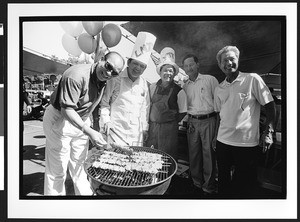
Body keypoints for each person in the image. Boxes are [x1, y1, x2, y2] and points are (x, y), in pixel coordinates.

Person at [43, 51, 125, 195]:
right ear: (101, 59)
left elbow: (91, 105)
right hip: (60, 118)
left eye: (115, 73)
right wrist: (88, 130)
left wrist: (96, 127)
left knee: (80, 165)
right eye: (108, 66)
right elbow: (66, 110)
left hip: (81, 119)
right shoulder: (76, 75)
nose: (109, 73)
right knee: (58, 169)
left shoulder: (104, 79)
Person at [214, 46, 276, 198]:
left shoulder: (252, 79)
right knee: (223, 182)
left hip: (246, 145)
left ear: (238, 60)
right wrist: (215, 138)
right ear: (220, 65)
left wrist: (268, 132)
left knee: (244, 185)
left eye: (232, 59)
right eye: (225, 61)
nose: (228, 63)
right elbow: (218, 115)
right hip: (223, 142)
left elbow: (270, 106)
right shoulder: (219, 88)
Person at [100, 32, 156, 146]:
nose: (138, 68)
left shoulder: (144, 84)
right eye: (136, 64)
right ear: (129, 62)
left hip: (136, 135)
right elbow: (104, 103)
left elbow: (145, 108)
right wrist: (106, 122)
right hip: (115, 132)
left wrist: (145, 128)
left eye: (142, 66)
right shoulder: (115, 78)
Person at [182, 54, 219, 195]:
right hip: (192, 121)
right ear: (184, 69)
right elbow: (185, 106)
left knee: (209, 153)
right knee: (194, 154)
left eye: (191, 64)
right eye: (186, 66)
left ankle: (208, 187)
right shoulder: (185, 86)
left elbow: (218, 103)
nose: (189, 68)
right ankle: (196, 184)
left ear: (197, 65)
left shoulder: (210, 80)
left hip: (209, 120)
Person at [146, 47, 187, 161]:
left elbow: (183, 112)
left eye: (171, 71)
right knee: (150, 156)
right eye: (165, 70)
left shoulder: (180, 91)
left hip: (169, 130)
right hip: (152, 128)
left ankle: (168, 179)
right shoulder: (152, 87)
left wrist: (169, 121)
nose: (168, 73)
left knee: (167, 158)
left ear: (174, 73)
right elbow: (147, 107)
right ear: (160, 72)